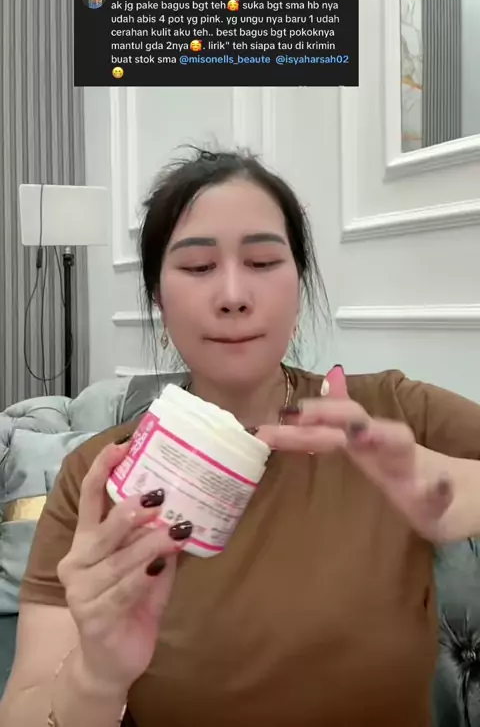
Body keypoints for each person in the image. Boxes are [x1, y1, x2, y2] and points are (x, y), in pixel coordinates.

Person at [2, 146, 480, 727]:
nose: (232, 295)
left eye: (262, 261)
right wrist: (97, 675)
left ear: (299, 286)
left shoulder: (393, 412)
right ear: (158, 299)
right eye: (198, 267)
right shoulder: (101, 477)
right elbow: (24, 708)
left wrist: (460, 487)